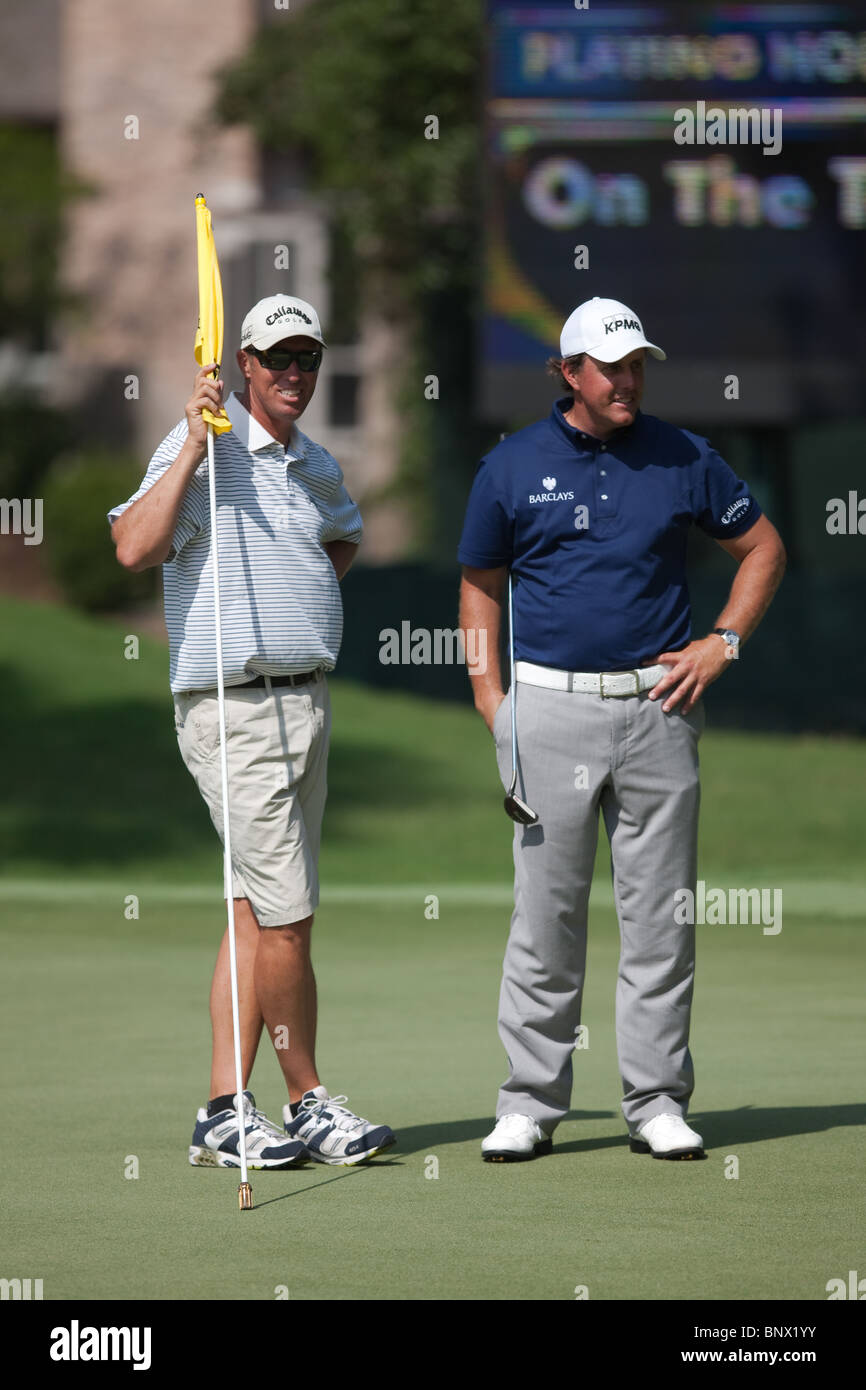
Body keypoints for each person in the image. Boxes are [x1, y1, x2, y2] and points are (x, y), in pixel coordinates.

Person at [457, 296, 786, 1162]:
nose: (628, 380)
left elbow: (763, 549)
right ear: (570, 373)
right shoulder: (512, 465)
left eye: (638, 364)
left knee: (660, 920)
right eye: (611, 367)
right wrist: (495, 703)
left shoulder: (685, 456)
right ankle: (528, 1102)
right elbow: (480, 584)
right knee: (546, 919)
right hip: (548, 710)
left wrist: (723, 643)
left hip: (660, 708)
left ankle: (656, 1101)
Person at [109, 294, 395, 1170]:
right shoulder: (200, 447)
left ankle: (223, 1110)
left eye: (307, 357)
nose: (293, 373)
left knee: (251, 912)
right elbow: (131, 545)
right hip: (231, 708)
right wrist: (195, 444)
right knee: (289, 921)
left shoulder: (313, 461)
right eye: (276, 359)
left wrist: (295, 600)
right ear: (243, 365)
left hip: (305, 702)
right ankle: (307, 1099)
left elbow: (342, 539)